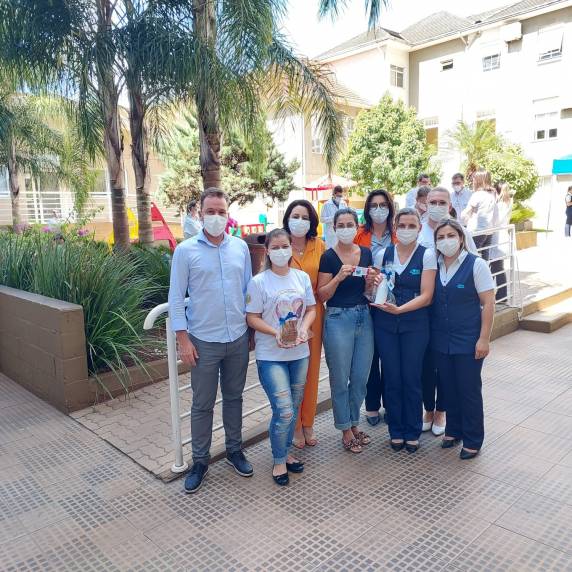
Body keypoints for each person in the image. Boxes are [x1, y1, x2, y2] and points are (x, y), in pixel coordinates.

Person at [169, 188, 254, 494]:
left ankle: (234, 450)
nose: (216, 216)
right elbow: (176, 298)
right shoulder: (185, 251)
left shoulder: (240, 248)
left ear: (228, 214)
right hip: (203, 341)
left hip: (237, 338)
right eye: (210, 211)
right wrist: (183, 339)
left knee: (234, 398)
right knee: (202, 404)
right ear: (200, 214)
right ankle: (200, 461)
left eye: (221, 211)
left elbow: (248, 291)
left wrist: (251, 330)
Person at [246, 229, 316, 486]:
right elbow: (251, 317)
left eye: (284, 246)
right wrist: (275, 332)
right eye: (275, 247)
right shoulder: (258, 282)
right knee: (284, 410)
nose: (280, 251)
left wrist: (303, 328)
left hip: (299, 353)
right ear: (267, 251)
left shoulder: (301, 277)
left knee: (293, 406)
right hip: (270, 355)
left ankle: (286, 453)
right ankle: (278, 460)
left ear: (291, 248)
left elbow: (311, 309)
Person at [371, 208, 437, 453]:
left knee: (411, 377)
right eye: (402, 225)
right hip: (385, 324)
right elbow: (376, 289)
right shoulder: (383, 254)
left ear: (419, 229)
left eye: (412, 226)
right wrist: (373, 284)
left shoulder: (426, 255)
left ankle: (412, 430)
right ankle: (396, 430)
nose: (406, 230)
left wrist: (400, 310)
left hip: (415, 325)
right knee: (391, 377)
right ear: (395, 228)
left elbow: (427, 296)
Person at [431, 218, 495, 460]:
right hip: (442, 340)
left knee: (468, 389)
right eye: (440, 237)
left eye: (451, 235)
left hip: (468, 339)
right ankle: (453, 430)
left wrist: (484, 339)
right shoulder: (434, 265)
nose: (446, 241)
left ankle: (473, 439)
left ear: (461, 238)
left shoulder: (476, 264)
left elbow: (488, 303)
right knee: (448, 387)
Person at [417, 187, 478, 436]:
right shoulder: (418, 231)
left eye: (442, 202)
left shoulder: (461, 232)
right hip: (423, 310)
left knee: (446, 367)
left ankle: (441, 410)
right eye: (432, 202)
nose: (437, 206)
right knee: (426, 364)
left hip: (451, 314)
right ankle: (428, 408)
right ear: (424, 204)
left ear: (450, 205)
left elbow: (473, 268)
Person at [318, 208, 376, 453]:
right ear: (334, 228)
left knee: (361, 377)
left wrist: (371, 282)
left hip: (364, 316)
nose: (345, 229)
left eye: (349, 224)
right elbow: (322, 294)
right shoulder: (328, 257)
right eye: (340, 225)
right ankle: (345, 429)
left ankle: (354, 422)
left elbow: (368, 292)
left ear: (357, 226)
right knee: (340, 378)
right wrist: (338, 278)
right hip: (337, 318)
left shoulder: (365, 253)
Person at [282, 200, 325, 449]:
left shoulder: (319, 245)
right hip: (285, 316)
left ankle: (308, 422)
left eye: (305, 217)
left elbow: (325, 280)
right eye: (295, 216)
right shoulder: (280, 243)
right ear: (287, 218)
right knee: (290, 370)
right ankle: (295, 425)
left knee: (311, 371)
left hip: (314, 314)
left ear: (312, 221)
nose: (300, 221)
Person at [354, 189, 395, 426]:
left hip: (392, 303)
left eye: (383, 204)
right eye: (374, 205)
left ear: (390, 207)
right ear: (367, 210)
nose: (378, 209)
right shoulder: (359, 235)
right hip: (366, 302)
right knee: (370, 356)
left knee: (389, 356)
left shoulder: (399, 232)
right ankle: (371, 406)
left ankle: (390, 403)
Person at [461, 170, 499, 261]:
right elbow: (495, 215)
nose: (472, 181)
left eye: (474, 179)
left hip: (476, 231)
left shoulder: (477, 195)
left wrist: (463, 218)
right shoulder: (491, 195)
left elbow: (466, 213)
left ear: (478, 180)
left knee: (472, 258)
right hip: (488, 231)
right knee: (484, 259)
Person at [490, 182, 513, 302]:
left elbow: (495, 221)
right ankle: (501, 295)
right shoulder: (508, 202)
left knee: (496, 268)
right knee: (497, 267)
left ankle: (501, 295)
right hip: (501, 237)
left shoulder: (499, 204)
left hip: (497, 238)